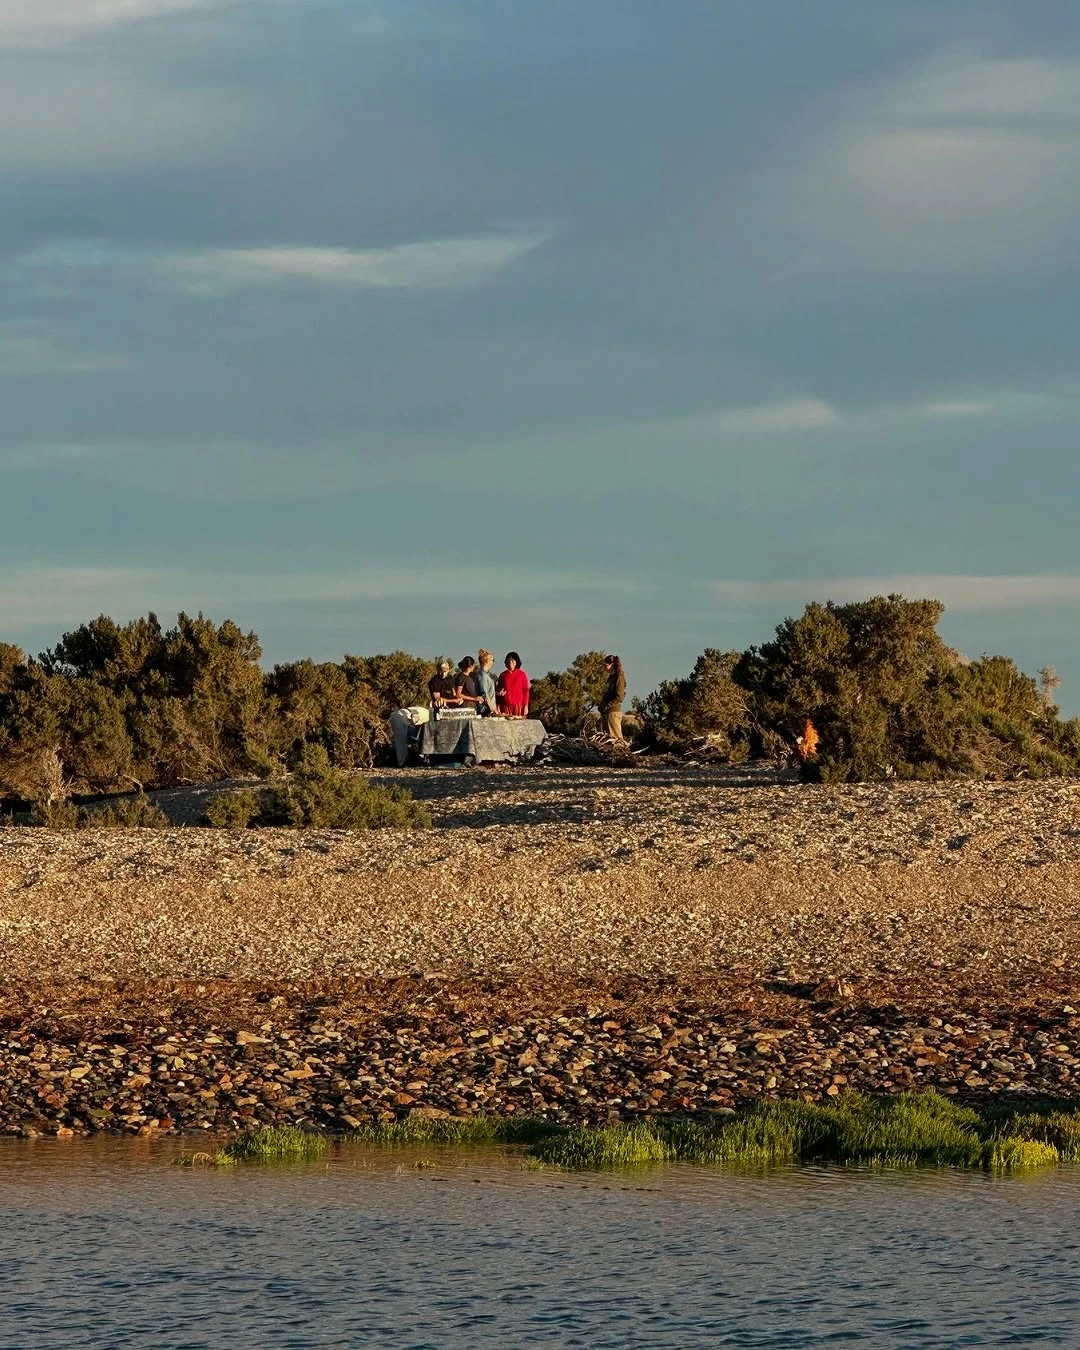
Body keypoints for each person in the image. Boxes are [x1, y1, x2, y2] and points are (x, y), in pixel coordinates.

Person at [599, 653, 626, 743]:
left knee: (616, 741)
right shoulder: (611, 678)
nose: (604, 667)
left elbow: (620, 697)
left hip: (613, 713)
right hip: (606, 713)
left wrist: (607, 705)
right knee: (607, 740)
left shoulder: (619, 677)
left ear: (612, 665)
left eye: (606, 665)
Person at [496, 651, 530, 717]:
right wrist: (498, 705)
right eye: (509, 660)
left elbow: (526, 691)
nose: (510, 662)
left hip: (519, 705)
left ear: (516, 661)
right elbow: (499, 691)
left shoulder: (522, 674)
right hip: (505, 705)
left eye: (512, 660)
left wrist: (526, 706)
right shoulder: (503, 675)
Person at [475, 649, 498, 715]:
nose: (493, 662)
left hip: (489, 709)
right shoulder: (483, 675)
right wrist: (492, 710)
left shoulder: (486, 674)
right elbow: (484, 694)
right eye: (492, 660)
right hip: (485, 710)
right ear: (487, 661)